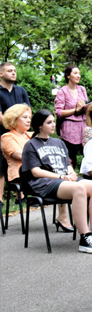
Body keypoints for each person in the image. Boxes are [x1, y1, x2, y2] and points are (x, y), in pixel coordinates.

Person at [21, 109, 92, 253]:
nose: (53, 125)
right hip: (44, 183)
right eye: (49, 122)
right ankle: (85, 237)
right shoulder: (31, 145)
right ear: (39, 126)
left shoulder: (59, 143)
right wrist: (61, 177)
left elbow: (67, 165)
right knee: (79, 188)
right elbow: (36, 172)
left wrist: (71, 173)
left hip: (64, 180)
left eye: (53, 121)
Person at [0, 62, 31, 209]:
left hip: (20, 134)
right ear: (1, 74)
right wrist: (13, 126)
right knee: (0, 168)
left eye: (14, 70)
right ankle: (0, 200)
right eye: (9, 70)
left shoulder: (21, 90)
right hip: (2, 133)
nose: (13, 72)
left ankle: (21, 197)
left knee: (21, 161)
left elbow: (28, 111)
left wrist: (22, 128)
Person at [54, 65, 88, 167]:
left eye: (79, 73)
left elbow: (86, 104)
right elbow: (58, 112)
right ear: (68, 75)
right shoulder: (62, 91)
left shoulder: (82, 89)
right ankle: (70, 172)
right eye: (75, 73)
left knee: (87, 153)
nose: (78, 76)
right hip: (69, 126)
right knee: (71, 156)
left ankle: (88, 172)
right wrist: (75, 110)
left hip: (83, 125)